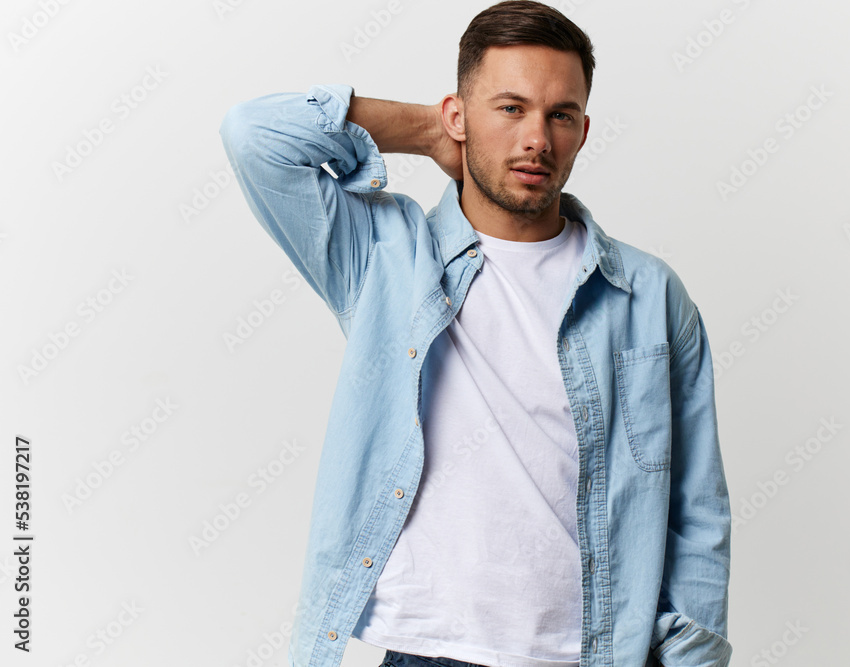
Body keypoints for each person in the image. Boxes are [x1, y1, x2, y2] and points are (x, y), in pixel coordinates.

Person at [218, 1, 732, 665]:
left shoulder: (649, 296)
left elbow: (697, 511)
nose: (536, 139)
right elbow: (255, 135)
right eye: (510, 108)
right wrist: (429, 132)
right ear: (458, 116)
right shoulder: (385, 257)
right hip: (428, 652)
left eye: (560, 115)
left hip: (592, 653)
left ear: (582, 131)